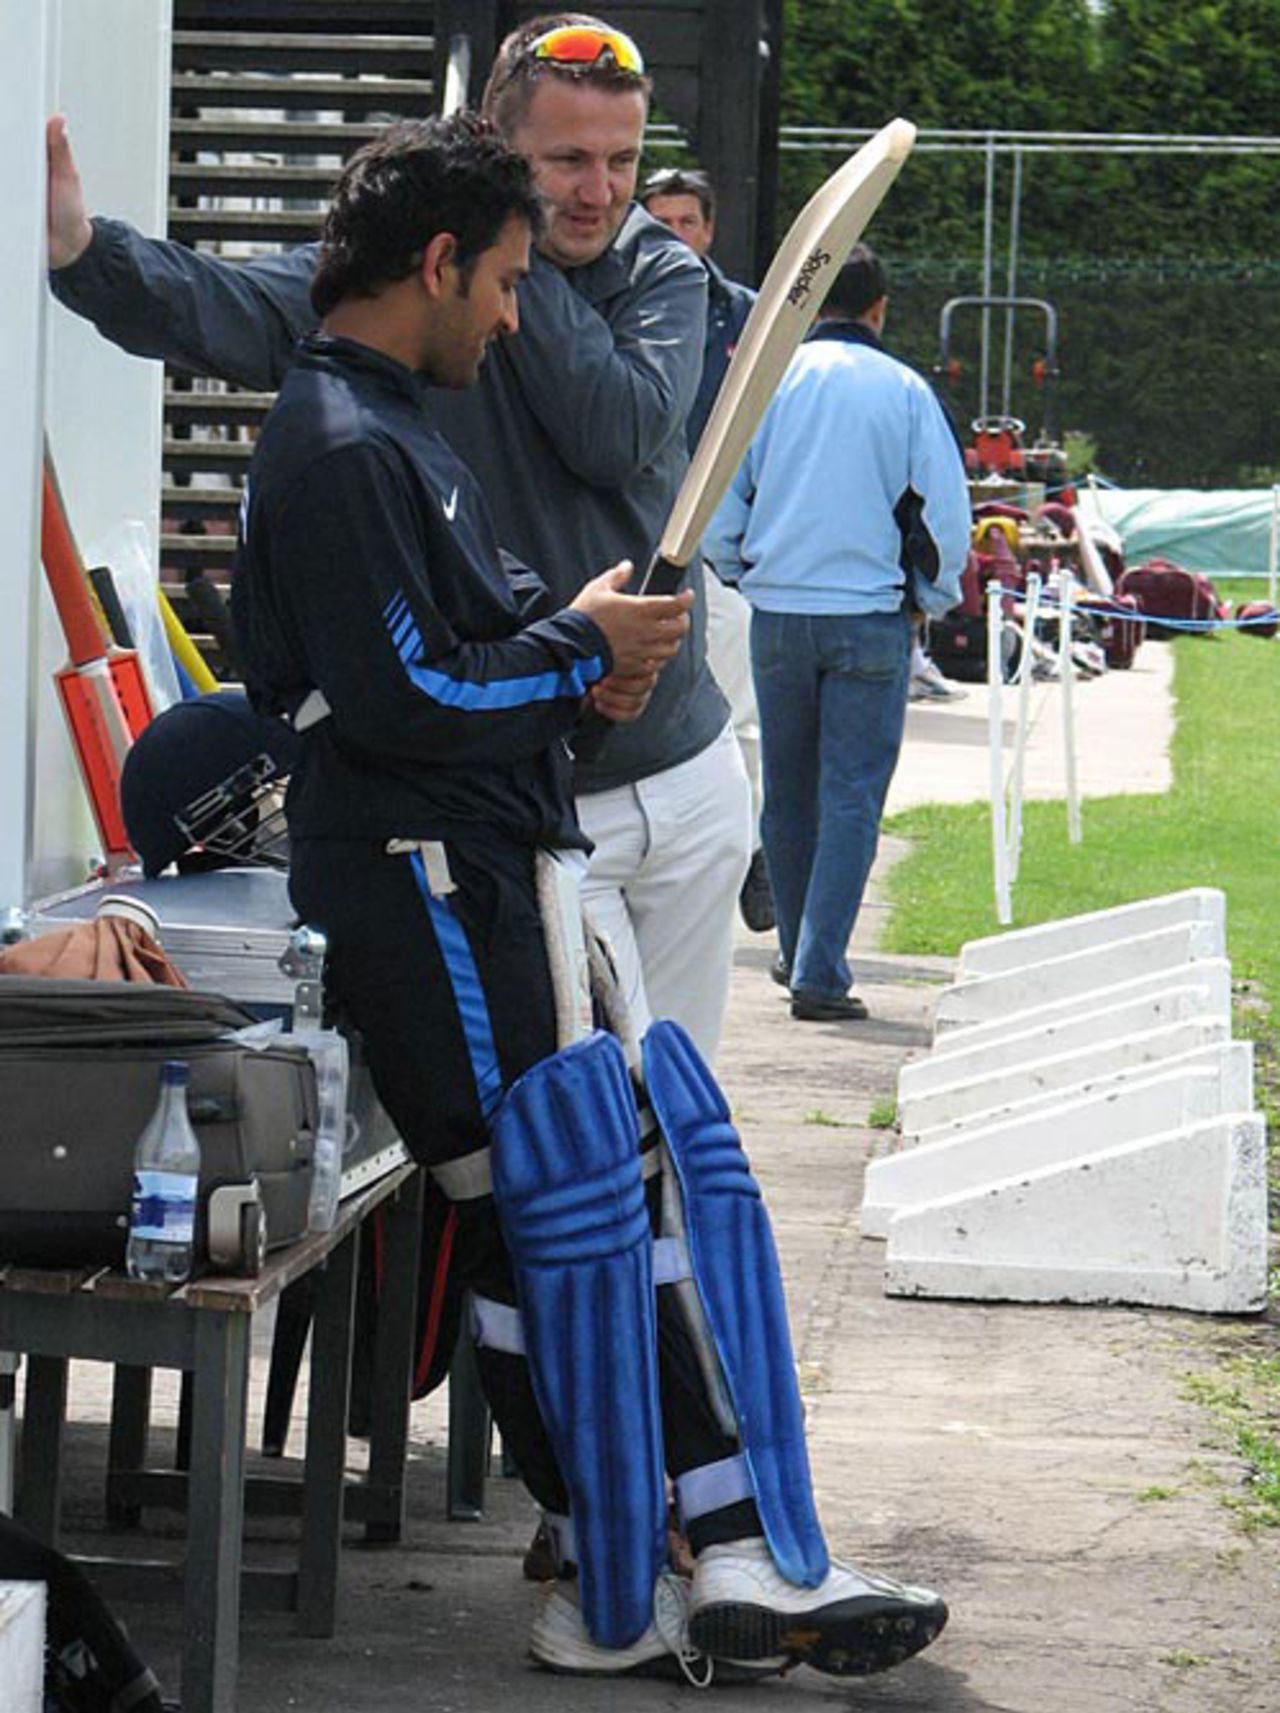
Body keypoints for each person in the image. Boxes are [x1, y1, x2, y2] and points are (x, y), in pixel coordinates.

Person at [230, 115, 946, 1686]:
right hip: (426, 885)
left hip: (473, 867)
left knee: (544, 1225)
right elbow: (402, 690)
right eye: (496, 281)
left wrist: (576, 653)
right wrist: (577, 651)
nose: (508, 313)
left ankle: (644, 1567)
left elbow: (454, 659)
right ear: (433, 267)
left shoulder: (390, 428)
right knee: (567, 1210)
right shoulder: (348, 445)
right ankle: (696, 1549)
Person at [46, 12, 752, 1066]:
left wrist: (506, 237)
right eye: (561, 162)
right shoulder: (426, 279)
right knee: (579, 1112)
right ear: (495, 153)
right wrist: (86, 254)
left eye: (620, 161)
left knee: (683, 1114)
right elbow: (232, 307)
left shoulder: (663, 275)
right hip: (536, 789)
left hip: (684, 768)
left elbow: (616, 429)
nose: (597, 193)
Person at [705, 245, 969, 1022]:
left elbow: (722, 496)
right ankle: (821, 965)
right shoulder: (907, 391)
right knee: (851, 794)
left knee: (787, 791)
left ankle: (794, 945)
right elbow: (944, 516)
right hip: (869, 615)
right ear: (880, 309)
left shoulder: (769, 382)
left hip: (779, 610)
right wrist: (933, 595)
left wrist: (741, 569)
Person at [640, 164, 774, 933]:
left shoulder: (746, 319)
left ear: (709, 229)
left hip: (718, 550)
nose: (674, 238)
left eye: (686, 222)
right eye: (659, 223)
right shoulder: (618, 303)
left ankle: (748, 853)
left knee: (737, 716)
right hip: (642, 537)